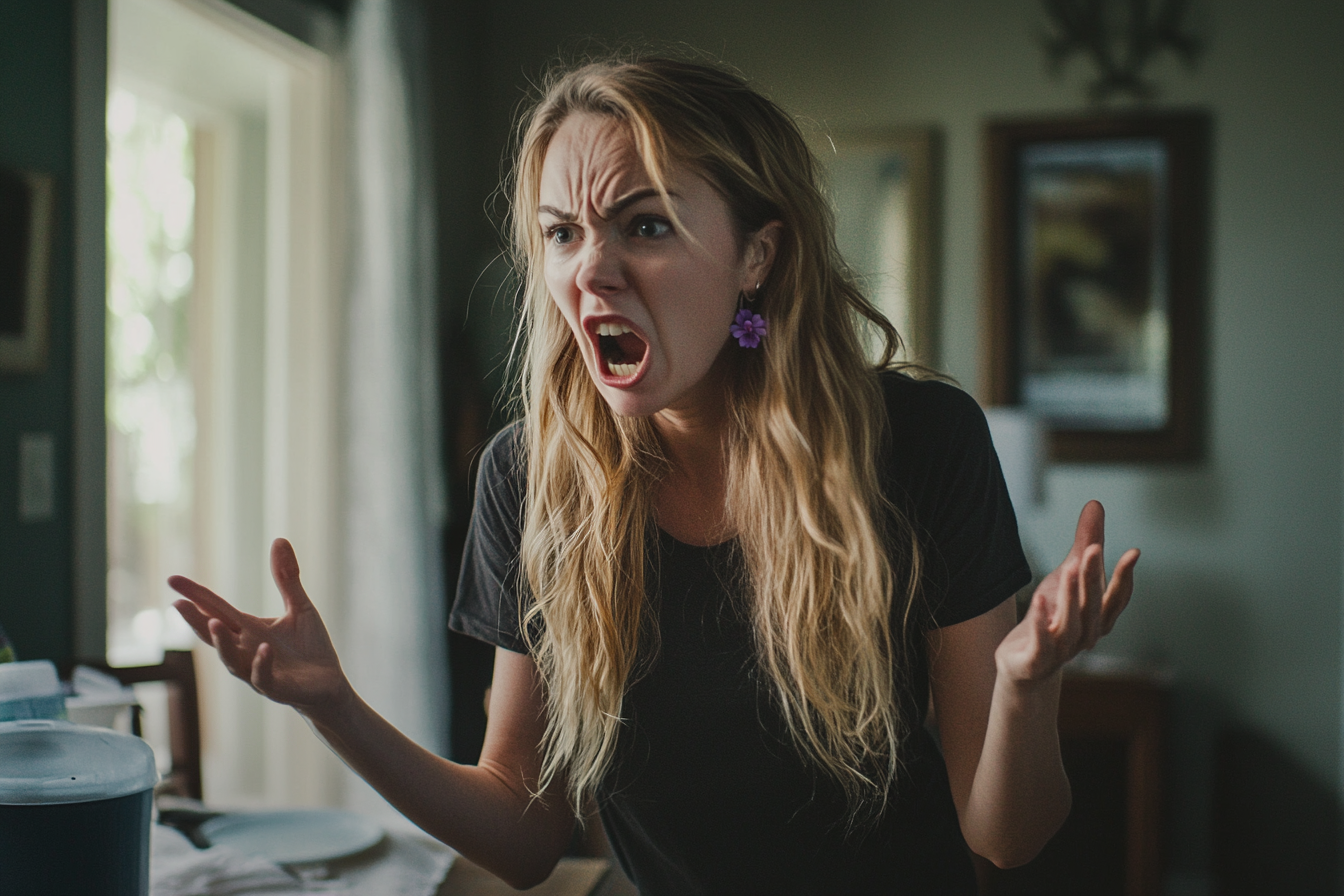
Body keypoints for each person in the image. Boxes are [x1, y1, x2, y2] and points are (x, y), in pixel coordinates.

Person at [170, 56, 1139, 895]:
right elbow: (524, 828)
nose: (590, 271)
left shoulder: (921, 442)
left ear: (757, 254)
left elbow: (1004, 832)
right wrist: (333, 705)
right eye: (561, 233)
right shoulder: (529, 480)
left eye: (645, 225)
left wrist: (1026, 685)